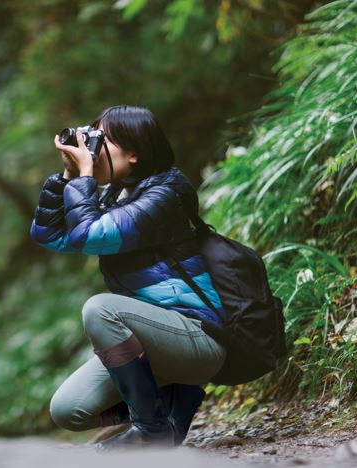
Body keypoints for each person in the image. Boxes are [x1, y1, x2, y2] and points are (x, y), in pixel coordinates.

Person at [29, 105, 227, 450]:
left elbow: (90, 236)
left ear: (134, 153)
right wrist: (67, 179)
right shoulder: (114, 195)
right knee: (68, 410)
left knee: (101, 309)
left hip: (196, 338)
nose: (92, 149)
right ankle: (170, 406)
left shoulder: (165, 193)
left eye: (100, 140)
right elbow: (50, 235)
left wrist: (84, 180)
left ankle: (150, 431)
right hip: (150, 346)